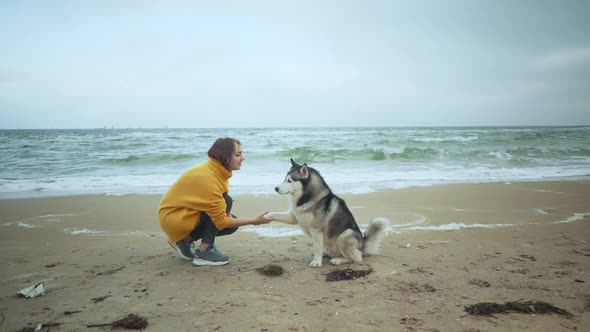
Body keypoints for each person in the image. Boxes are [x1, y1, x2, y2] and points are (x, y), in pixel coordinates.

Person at [158, 137, 271, 266]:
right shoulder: (209, 178)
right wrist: (255, 221)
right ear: (225, 156)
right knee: (226, 207)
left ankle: (185, 240)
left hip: (176, 217)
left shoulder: (216, 169)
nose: (242, 158)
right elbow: (221, 222)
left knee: (226, 203)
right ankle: (205, 251)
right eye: (238, 154)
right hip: (175, 219)